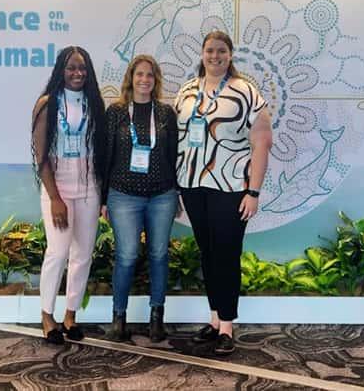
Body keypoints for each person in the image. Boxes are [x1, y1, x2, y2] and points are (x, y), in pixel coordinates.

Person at [174, 30, 273, 355]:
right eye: (209, 51)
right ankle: (215, 319)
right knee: (208, 253)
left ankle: (228, 326)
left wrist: (253, 191)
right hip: (192, 184)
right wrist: (175, 188)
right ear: (201, 54)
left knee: (227, 253)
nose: (214, 56)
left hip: (231, 187)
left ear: (230, 55)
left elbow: (262, 142)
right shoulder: (187, 92)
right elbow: (176, 139)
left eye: (221, 51)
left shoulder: (245, 91)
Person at [31, 45, 106, 344]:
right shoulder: (47, 103)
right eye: (71, 67)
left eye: (82, 68)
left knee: (83, 256)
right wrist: (55, 198)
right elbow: (41, 157)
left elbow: (100, 152)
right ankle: (47, 315)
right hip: (58, 188)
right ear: (61, 70)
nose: (77, 73)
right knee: (58, 252)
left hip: (89, 188)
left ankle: (70, 315)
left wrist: (102, 196)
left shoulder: (94, 103)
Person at [101, 55, 179, 343]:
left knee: (159, 255)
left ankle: (156, 318)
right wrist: (103, 198)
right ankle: (118, 316)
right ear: (130, 78)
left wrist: (177, 192)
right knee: (127, 255)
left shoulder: (166, 113)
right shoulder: (117, 112)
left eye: (150, 75)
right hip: (123, 195)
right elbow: (106, 156)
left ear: (156, 80)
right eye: (139, 74)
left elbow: (173, 155)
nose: (145, 80)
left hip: (162, 195)